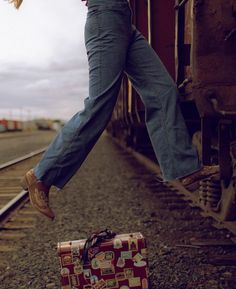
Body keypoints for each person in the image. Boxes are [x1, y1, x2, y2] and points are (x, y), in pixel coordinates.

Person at [11, 0, 218, 220]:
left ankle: (183, 167)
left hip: (124, 21)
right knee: (98, 106)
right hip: (105, 19)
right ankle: (41, 176)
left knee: (162, 91)